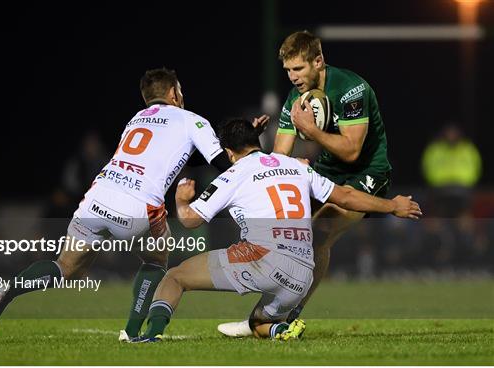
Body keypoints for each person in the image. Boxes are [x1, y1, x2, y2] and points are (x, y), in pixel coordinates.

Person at [0, 68, 267, 340]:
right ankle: (130, 332)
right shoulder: (191, 119)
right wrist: (247, 142)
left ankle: (7, 291)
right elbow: (222, 164)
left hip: (97, 197)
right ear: (174, 94)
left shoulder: (136, 119)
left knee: (64, 267)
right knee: (156, 261)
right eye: (180, 90)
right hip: (137, 206)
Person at [128, 119, 420, 342]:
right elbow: (345, 196)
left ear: (229, 153)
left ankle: (151, 336)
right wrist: (392, 205)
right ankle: (281, 327)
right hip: (302, 273)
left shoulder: (234, 173)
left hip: (261, 259)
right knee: (258, 324)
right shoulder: (296, 165)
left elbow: (191, 220)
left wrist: (181, 202)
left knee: (175, 277)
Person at [218, 31, 393, 337]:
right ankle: (265, 317)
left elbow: (352, 151)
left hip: (367, 172)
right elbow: (280, 157)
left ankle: (282, 317)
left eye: (298, 69)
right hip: (327, 170)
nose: (293, 77)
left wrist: (311, 131)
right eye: (288, 70)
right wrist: (251, 144)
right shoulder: (294, 99)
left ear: (318, 61)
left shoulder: (351, 89)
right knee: (285, 233)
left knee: (318, 234)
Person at [421, 123, 482, 217]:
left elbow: (475, 168)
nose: (451, 135)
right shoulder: (435, 149)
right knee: (437, 215)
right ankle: (439, 231)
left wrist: (464, 182)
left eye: (454, 133)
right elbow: (427, 168)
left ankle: (465, 231)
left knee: (464, 215)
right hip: (440, 188)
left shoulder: (468, 149)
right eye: (449, 133)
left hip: (462, 188)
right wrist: (440, 182)